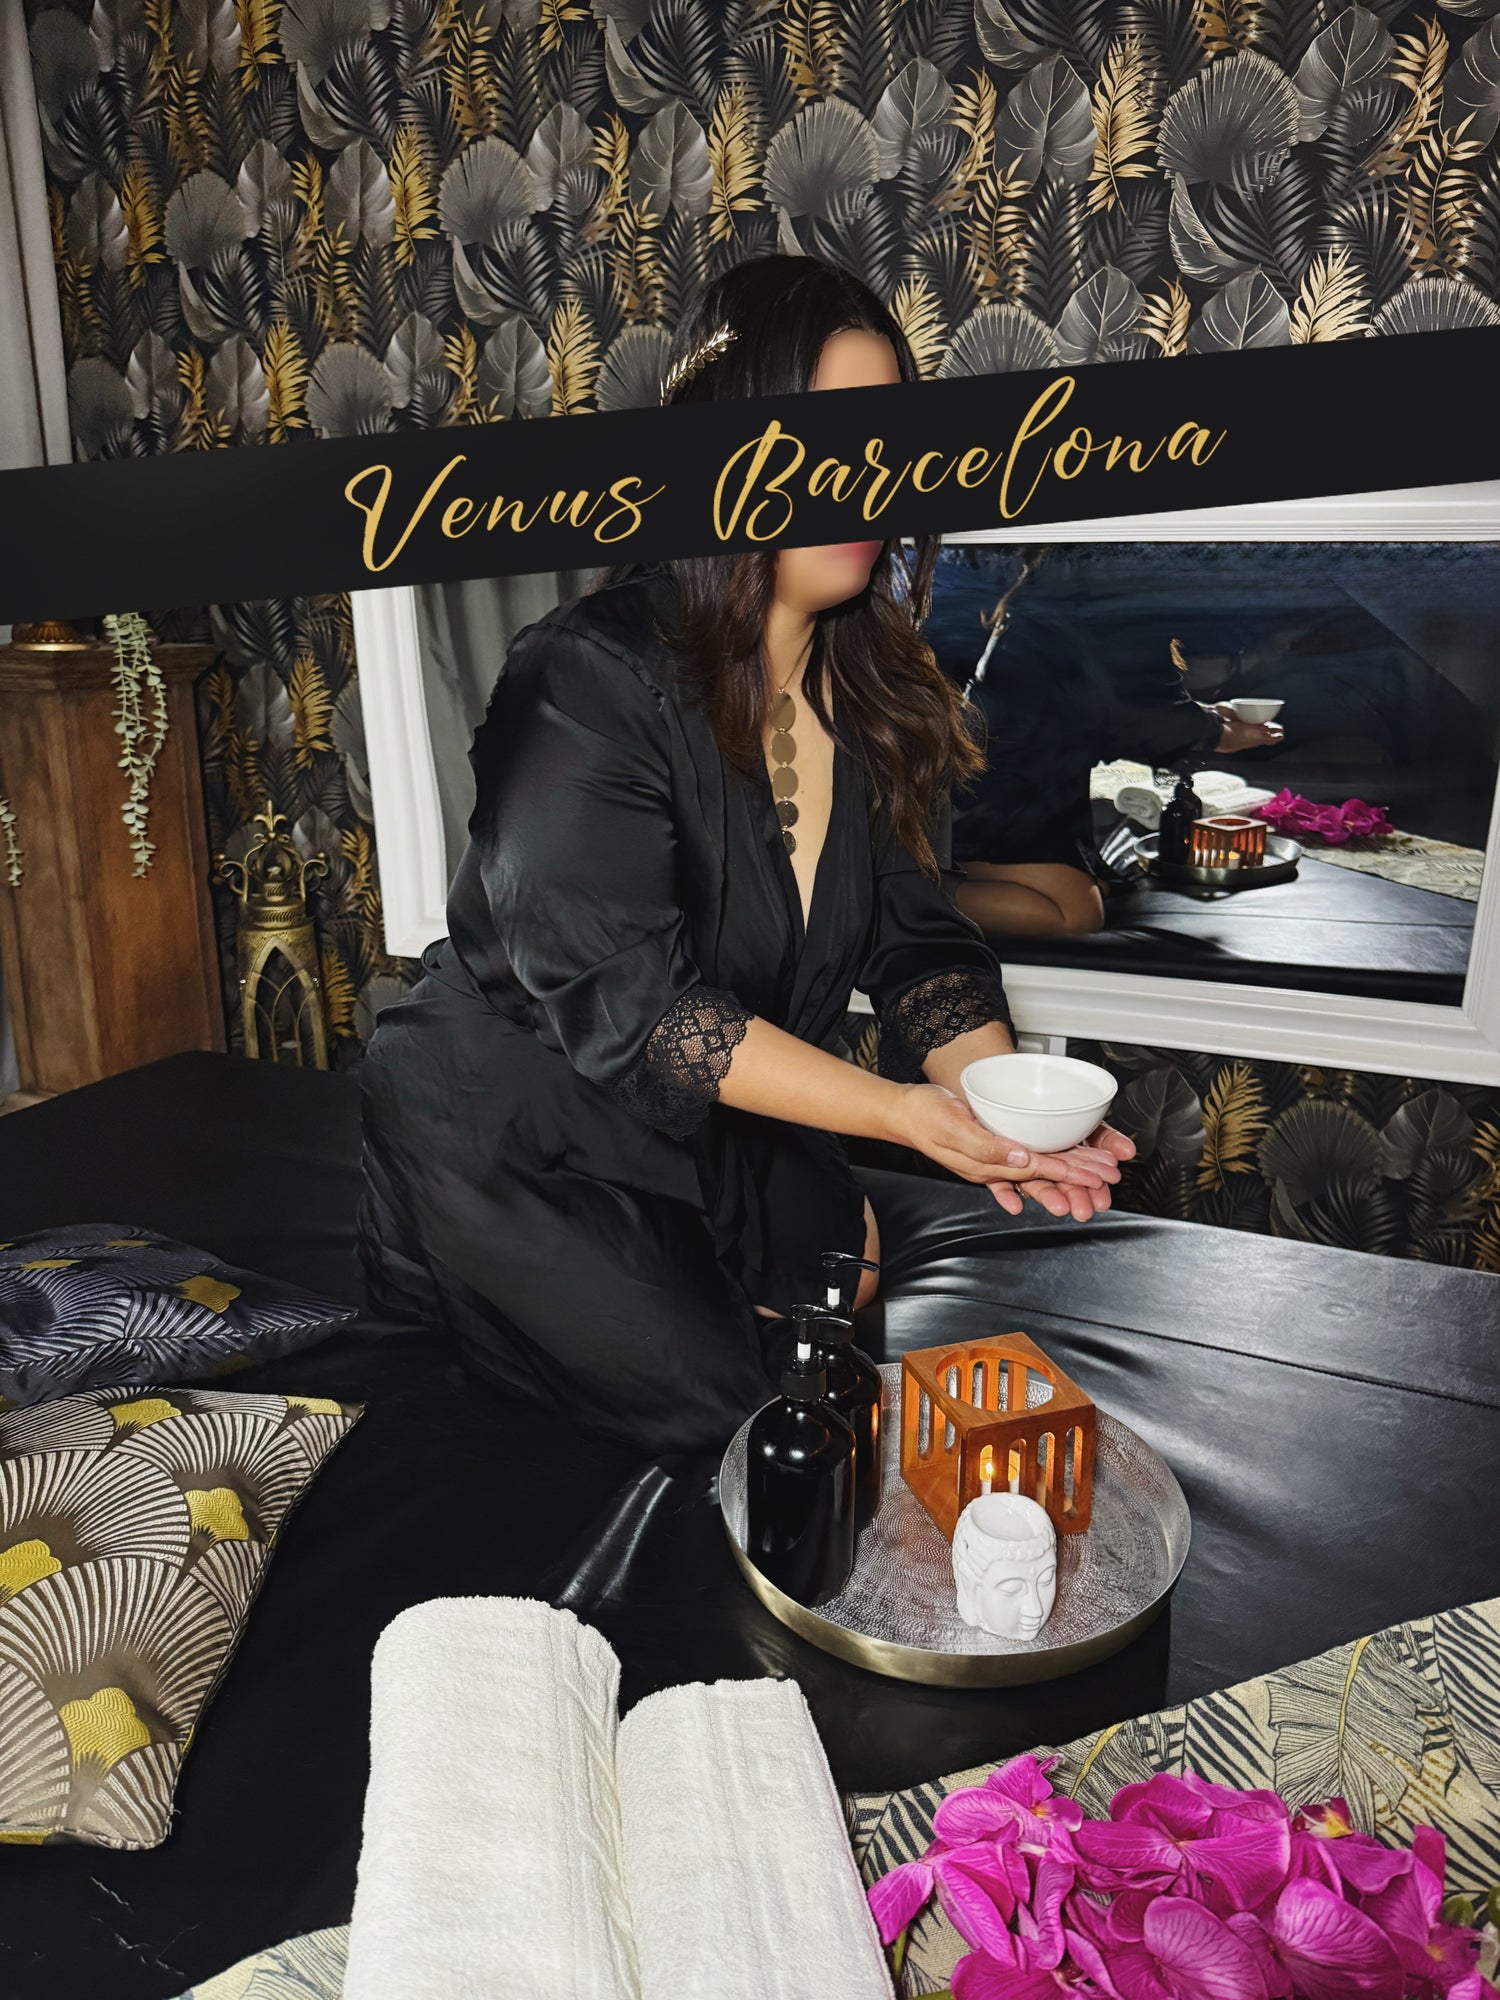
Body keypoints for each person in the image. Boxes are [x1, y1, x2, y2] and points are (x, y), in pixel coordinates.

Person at [358, 256, 1134, 1455]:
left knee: (848, 1293)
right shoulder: (584, 675)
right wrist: (901, 1113)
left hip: (726, 1118)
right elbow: (638, 1009)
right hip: (523, 1123)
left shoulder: (876, 687)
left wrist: (1006, 1111)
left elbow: (920, 947)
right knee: (749, 1424)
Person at [926, 550, 1284, 939]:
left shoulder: (1087, 583)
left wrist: (1208, 717)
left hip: (1025, 764)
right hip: (1010, 779)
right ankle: (898, 894)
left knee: (1094, 890)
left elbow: (1118, 699)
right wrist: (1217, 734)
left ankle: (924, 877)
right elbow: (1138, 713)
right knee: (1075, 916)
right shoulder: (1123, 582)